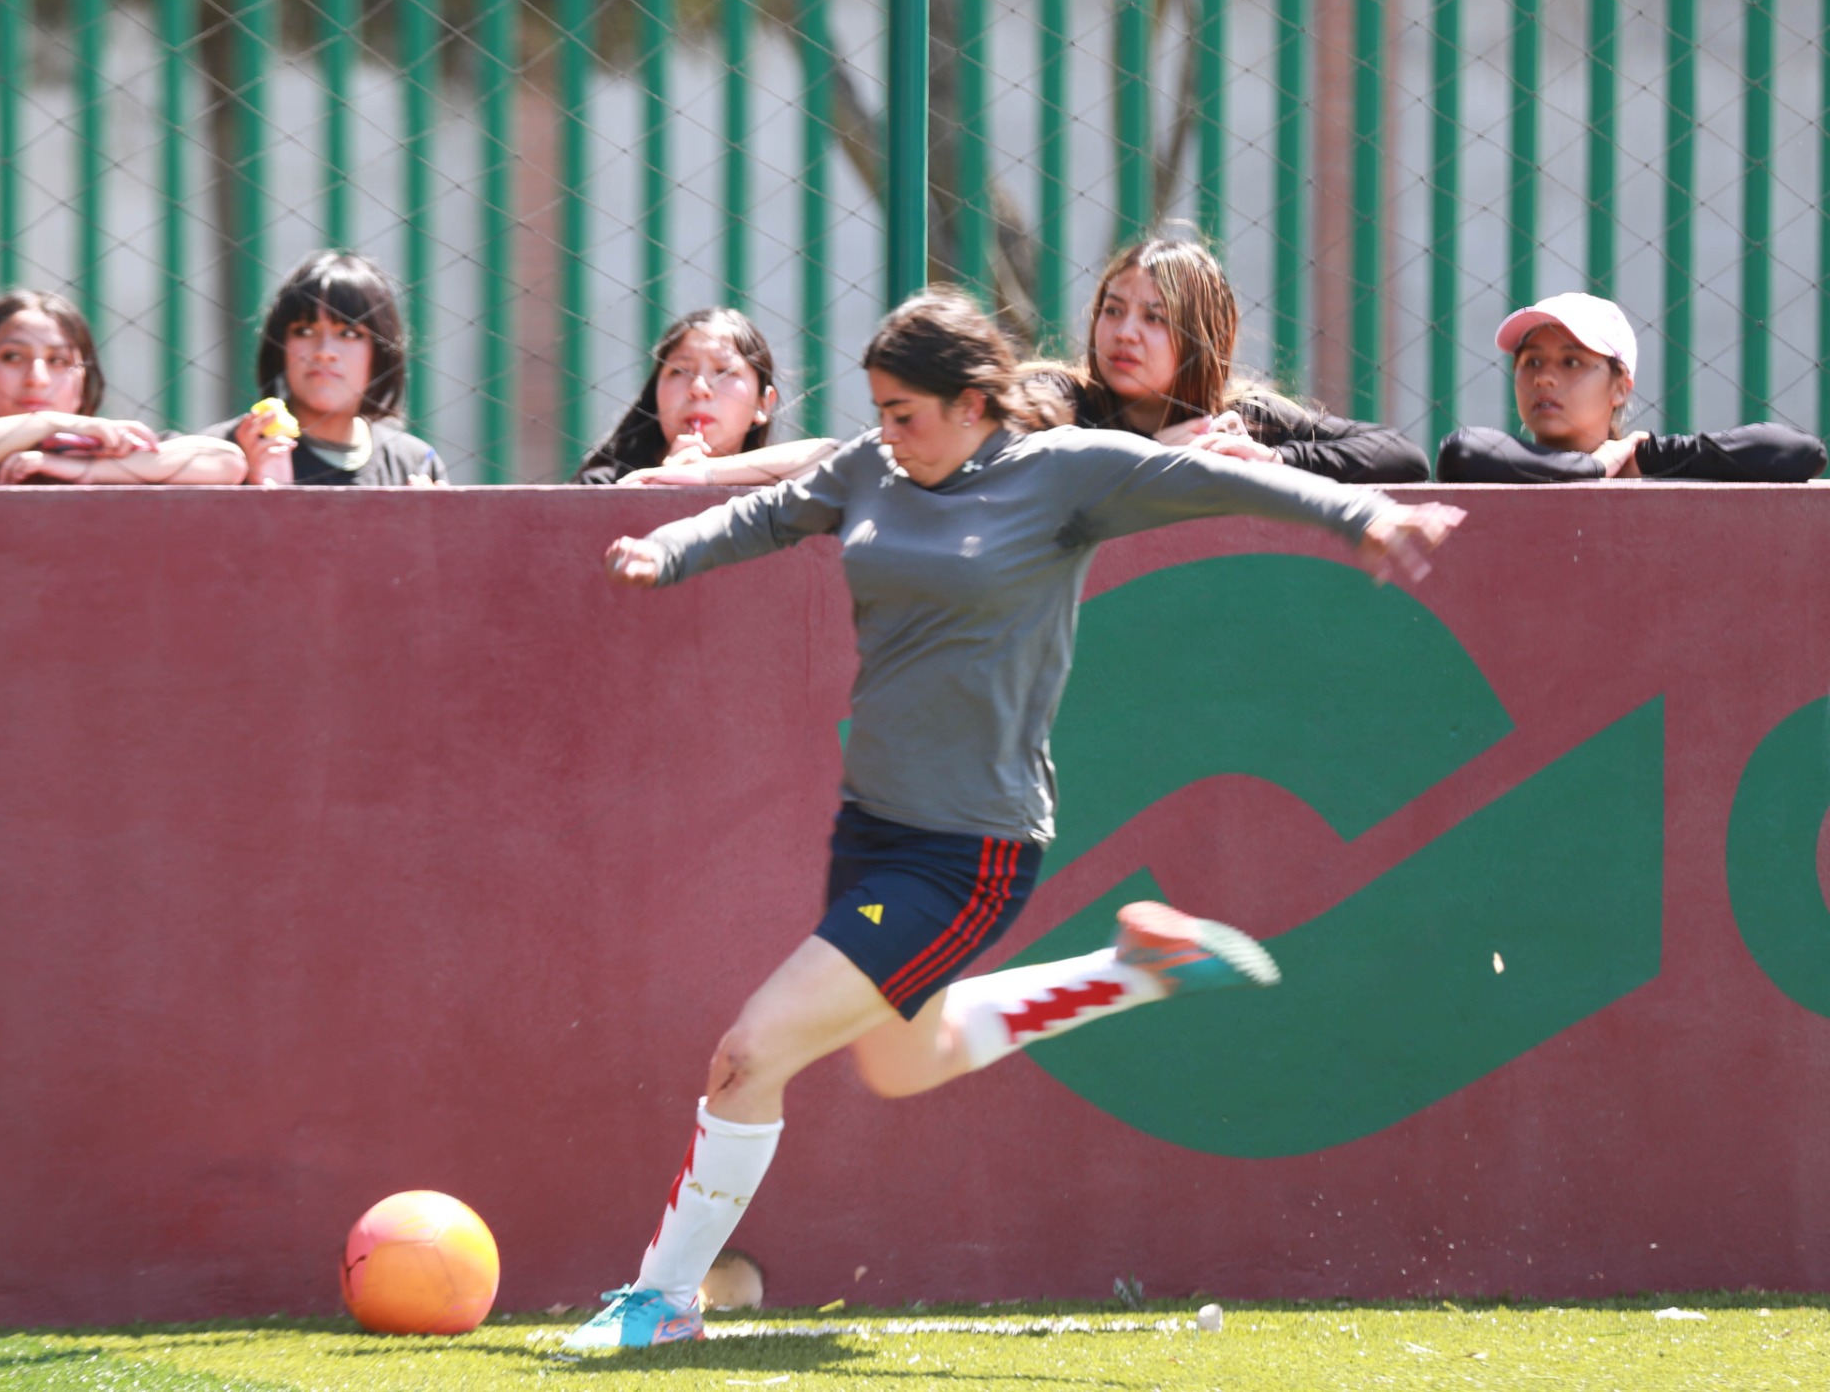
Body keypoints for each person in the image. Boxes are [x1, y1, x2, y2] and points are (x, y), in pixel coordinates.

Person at [566, 288, 1465, 1351]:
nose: (886, 432)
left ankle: (663, 1299)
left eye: (905, 412)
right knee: (907, 1059)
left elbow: (1222, 478)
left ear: (973, 404)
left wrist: (1361, 515)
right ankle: (1130, 971)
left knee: (749, 1054)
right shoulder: (875, 467)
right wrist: (672, 546)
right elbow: (772, 511)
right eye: (878, 409)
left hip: (967, 850)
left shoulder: (1063, 474)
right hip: (873, 830)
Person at [1024, 234, 1427, 484]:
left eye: (1154, 318)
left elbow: (1403, 456)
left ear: (1201, 338)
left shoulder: (1244, 420)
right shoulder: (1058, 398)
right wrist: (1153, 458)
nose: (1125, 332)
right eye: (1112, 310)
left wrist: (1273, 458)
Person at [1437, 293, 1826, 482]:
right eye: (1531, 362)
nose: (1544, 378)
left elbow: (1797, 451)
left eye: (1571, 362)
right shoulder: (1494, 463)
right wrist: (1597, 466)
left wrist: (1649, 457)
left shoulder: (1644, 465)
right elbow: (1462, 452)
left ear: (1621, 387)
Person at [0, 290, 244, 486]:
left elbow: (225, 462)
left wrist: (80, 470)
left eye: (58, 361)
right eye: (12, 357)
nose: (37, 377)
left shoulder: (109, 451)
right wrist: (47, 422)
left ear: (85, 380)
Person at [205, 251, 449, 486]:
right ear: (280, 346)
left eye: (349, 333)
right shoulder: (222, 453)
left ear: (381, 351)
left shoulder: (414, 463)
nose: (324, 351)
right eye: (304, 331)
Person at [574, 309, 836, 487]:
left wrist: (702, 474)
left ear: (763, 404)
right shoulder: (605, 486)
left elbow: (831, 454)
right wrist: (660, 486)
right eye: (679, 371)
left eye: (724, 372)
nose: (699, 388)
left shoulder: (780, 488)